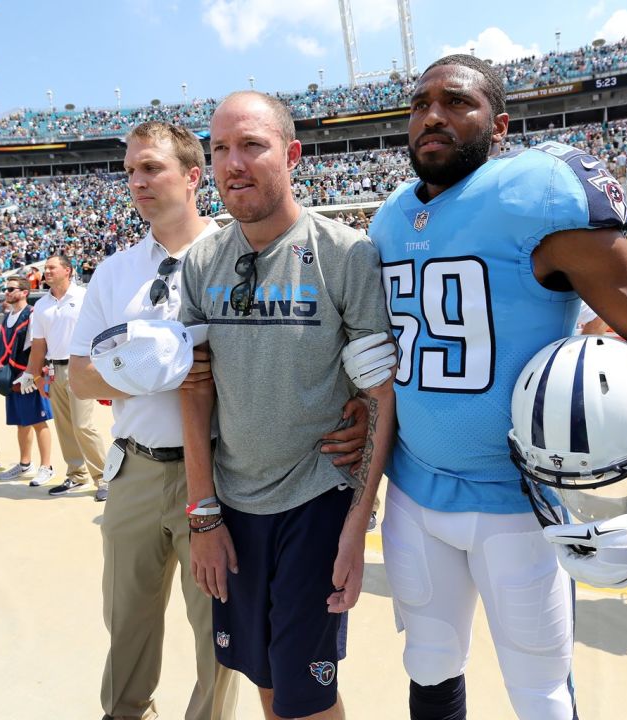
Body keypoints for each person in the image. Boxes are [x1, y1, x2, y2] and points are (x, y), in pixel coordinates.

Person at [361, 54, 627, 719]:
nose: (432, 116)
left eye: (457, 102)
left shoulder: (536, 195)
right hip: (414, 494)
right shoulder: (387, 218)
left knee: (540, 695)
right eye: (419, 104)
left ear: (498, 126)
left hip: (521, 509)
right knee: (430, 665)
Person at [178, 91, 396, 720]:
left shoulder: (346, 254)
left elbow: (378, 393)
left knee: (309, 698)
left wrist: (356, 528)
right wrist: (204, 516)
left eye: (252, 144)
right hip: (234, 506)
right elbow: (194, 393)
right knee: (269, 684)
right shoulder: (201, 261)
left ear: (292, 154)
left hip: (316, 502)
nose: (233, 163)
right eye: (220, 148)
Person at [67, 121, 245, 720]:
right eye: (131, 171)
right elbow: (81, 377)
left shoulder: (241, 258)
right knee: (127, 626)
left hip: (220, 472)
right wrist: (161, 372)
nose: (136, 181)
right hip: (135, 472)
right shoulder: (116, 270)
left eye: (151, 168)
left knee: (217, 636)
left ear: (194, 176)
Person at [23, 254, 110, 499]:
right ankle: (76, 474)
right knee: (64, 426)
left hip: (80, 366)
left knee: (83, 425)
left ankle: (104, 478)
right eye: (45, 268)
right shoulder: (41, 305)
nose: (46, 272)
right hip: (52, 369)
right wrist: (34, 376)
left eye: (52, 268)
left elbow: (101, 331)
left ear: (68, 270)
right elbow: (39, 344)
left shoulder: (85, 297)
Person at [0, 276, 55, 486]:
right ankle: (24, 463)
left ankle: (46, 466)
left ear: (24, 292)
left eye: (11, 289)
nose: (7, 292)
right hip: (12, 379)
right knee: (21, 422)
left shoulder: (31, 314)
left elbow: (38, 348)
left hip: (29, 377)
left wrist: (33, 375)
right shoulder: (8, 316)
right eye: (6, 289)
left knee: (39, 421)